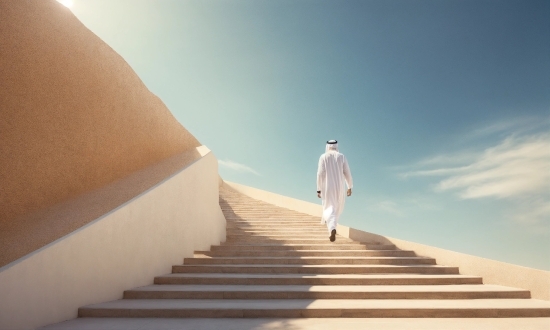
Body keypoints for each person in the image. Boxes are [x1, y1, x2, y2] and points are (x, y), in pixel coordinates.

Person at [317, 140, 353, 242]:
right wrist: (349, 186)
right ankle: (332, 228)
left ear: (328, 146)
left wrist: (318, 189)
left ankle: (332, 228)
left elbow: (320, 174)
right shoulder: (342, 157)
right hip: (339, 187)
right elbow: (347, 172)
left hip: (327, 187)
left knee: (329, 207)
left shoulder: (323, 157)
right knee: (336, 208)